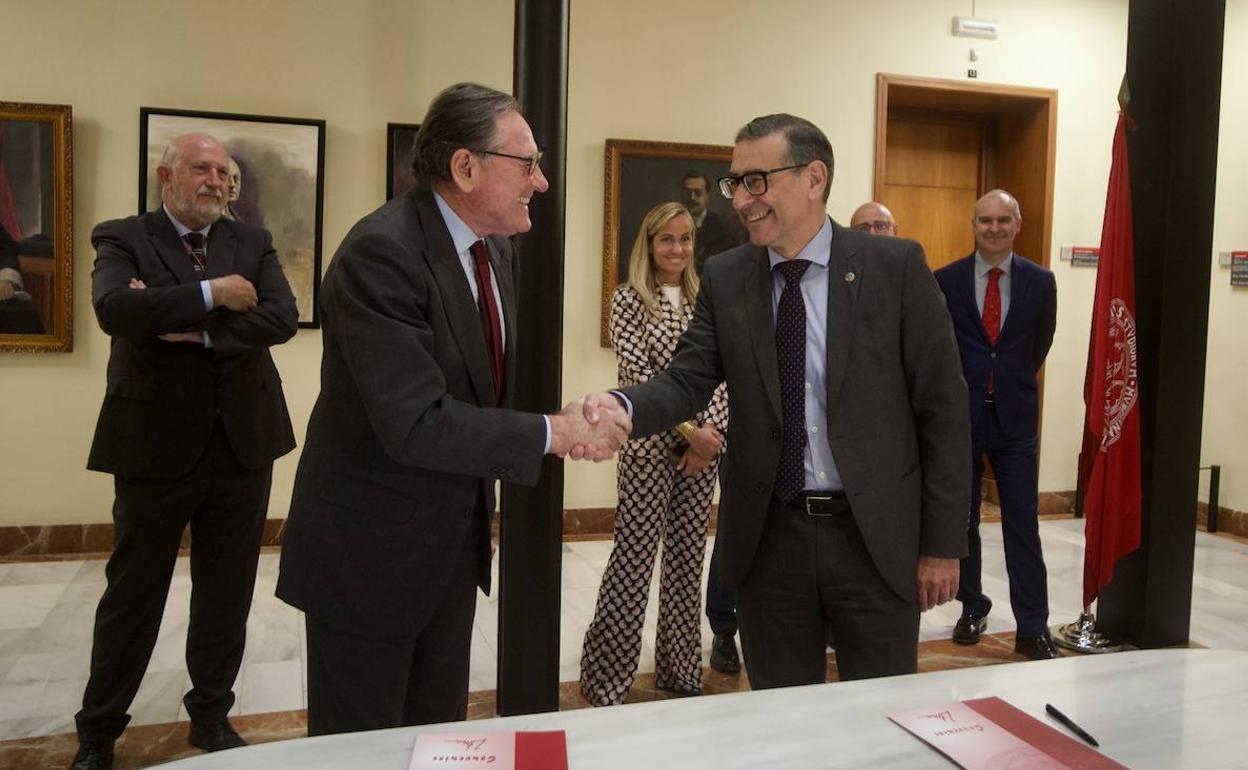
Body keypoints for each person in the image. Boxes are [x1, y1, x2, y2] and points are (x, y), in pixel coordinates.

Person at [275, 82, 629, 737]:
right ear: (465, 167)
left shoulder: (493, 250)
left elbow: (480, 389)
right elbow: (416, 421)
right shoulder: (380, 254)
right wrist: (553, 433)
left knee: (433, 733)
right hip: (368, 558)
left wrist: (570, 417)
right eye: (526, 164)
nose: (542, 182)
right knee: (364, 747)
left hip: (446, 549)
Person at [579, 113, 970, 690]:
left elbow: (944, 412)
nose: (741, 199)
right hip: (771, 540)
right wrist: (622, 407)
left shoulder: (895, 268)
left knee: (883, 719)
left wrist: (941, 544)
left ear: (815, 178)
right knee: (781, 725)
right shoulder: (727, 275)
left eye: (756, 180)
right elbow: (688, 378)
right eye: (734, 182)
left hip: (873, 539)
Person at [70, 133, 298, 770]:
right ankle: (98, 733)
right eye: (202, 169)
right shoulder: (122, 236)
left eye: (224, 173)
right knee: (133, 594)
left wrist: (186, 328)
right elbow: (116, 308)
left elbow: (282, 317)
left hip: (243, 442)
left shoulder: (251, 242)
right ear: (165, 176)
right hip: (152, 446)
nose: (216, 182)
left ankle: (211, 717)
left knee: (226, 591)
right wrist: (214, 295)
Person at [580, 202, 728, 705]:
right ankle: (606, 678)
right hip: (647, 452)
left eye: (685, 239)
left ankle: (681, 671)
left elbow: (724, 374)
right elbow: (636, 379)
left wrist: (710, 438)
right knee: (633, 562)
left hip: (701, 455)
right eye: (667, 239)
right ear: (648, 244)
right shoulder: (627, 300)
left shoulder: (707, 297)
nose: (678, 249)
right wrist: (689, 431)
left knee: (688, 565)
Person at [933, 189, 1060, 661]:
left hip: (1014, 420)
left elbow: (1038, 345)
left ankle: (1033, 626)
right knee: (963, 521)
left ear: (1017, 223)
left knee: (1022, 525)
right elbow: (940, 347)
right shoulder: (945, 280)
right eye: (985, 220)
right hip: (960, 418)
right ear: (974, 225)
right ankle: (972, 607)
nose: (993, 228)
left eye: (1003, 220)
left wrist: (1005, 379)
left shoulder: (1040, 282)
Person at [680, 169, 744, 275]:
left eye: (698, 193)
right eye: (688, 192)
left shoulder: (723, 228)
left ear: (707, 196)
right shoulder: (670, 224)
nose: (692, 197)